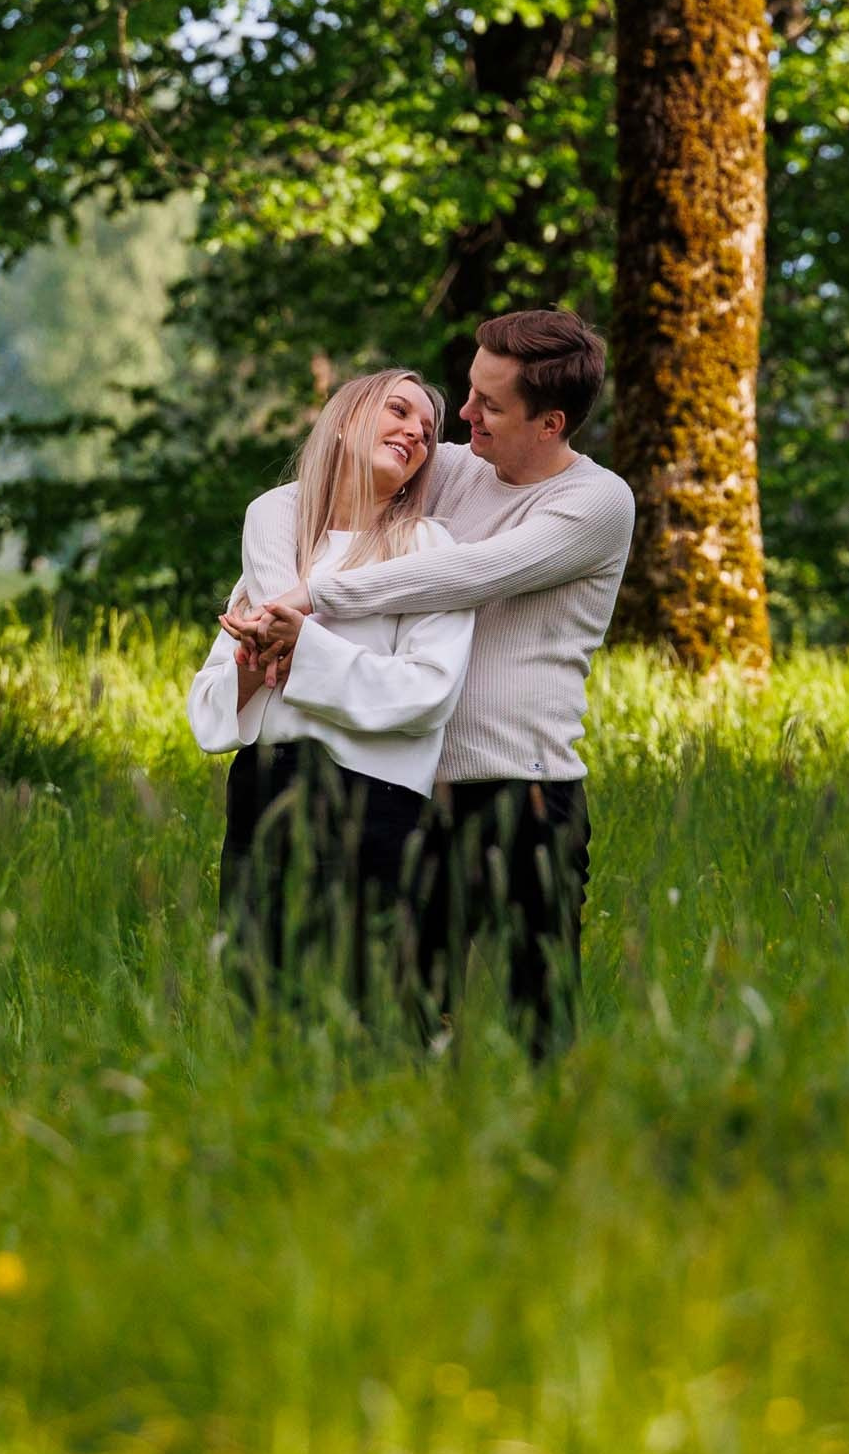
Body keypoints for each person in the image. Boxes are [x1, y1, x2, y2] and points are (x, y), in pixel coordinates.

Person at [237, 307, 632, 1056]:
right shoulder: (451, 467)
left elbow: (465, 574)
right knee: (405, 1020)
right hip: (408, 791)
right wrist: (274, 588)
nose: (466, 415)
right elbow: (308, 496)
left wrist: (314, 602)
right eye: (471, 391)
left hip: (524, 793)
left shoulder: (596, 503)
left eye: (490, 405)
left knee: (531, 1028)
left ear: (549, 423)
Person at [188, 367, 468, 1023]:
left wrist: (301, 648)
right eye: (397, 411)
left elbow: (427, 692)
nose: (414, 433)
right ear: (346, 418)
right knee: (259, 1004)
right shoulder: (278, 540)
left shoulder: (429, 548)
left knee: (367, 1009)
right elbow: (210, 709)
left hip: (374, 801)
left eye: (426, 431)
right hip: (261, 791)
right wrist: (260, 660)